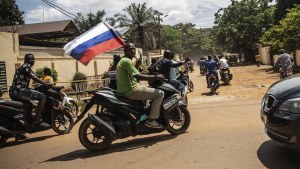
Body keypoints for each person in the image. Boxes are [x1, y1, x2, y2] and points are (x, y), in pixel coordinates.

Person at [117, 43, 165, 129]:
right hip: (131, 90)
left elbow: (131, 75)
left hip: (127, 89)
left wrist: (137, 66)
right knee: (160, 93)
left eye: (133, 49)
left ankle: (145, 115)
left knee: (149, 89)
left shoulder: (125, 60)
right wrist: (155, 76)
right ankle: (151, 120)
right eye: (130, 49)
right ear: (125, 51)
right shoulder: (126, 61)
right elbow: (138, 76)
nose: (132, 51)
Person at [9, 53, 52, 128]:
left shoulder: (23, 67)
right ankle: (38, 119)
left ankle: (21, 130)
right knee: (42, 97)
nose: (33, 61)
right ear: (26, 60)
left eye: (33, 59)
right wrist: (44, 84)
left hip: (13, 92)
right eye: (31, 59)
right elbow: (33, 77)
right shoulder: (27, 65)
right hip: (20, 91)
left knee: (28, 105)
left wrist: (42, 80)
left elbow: (34, 76)